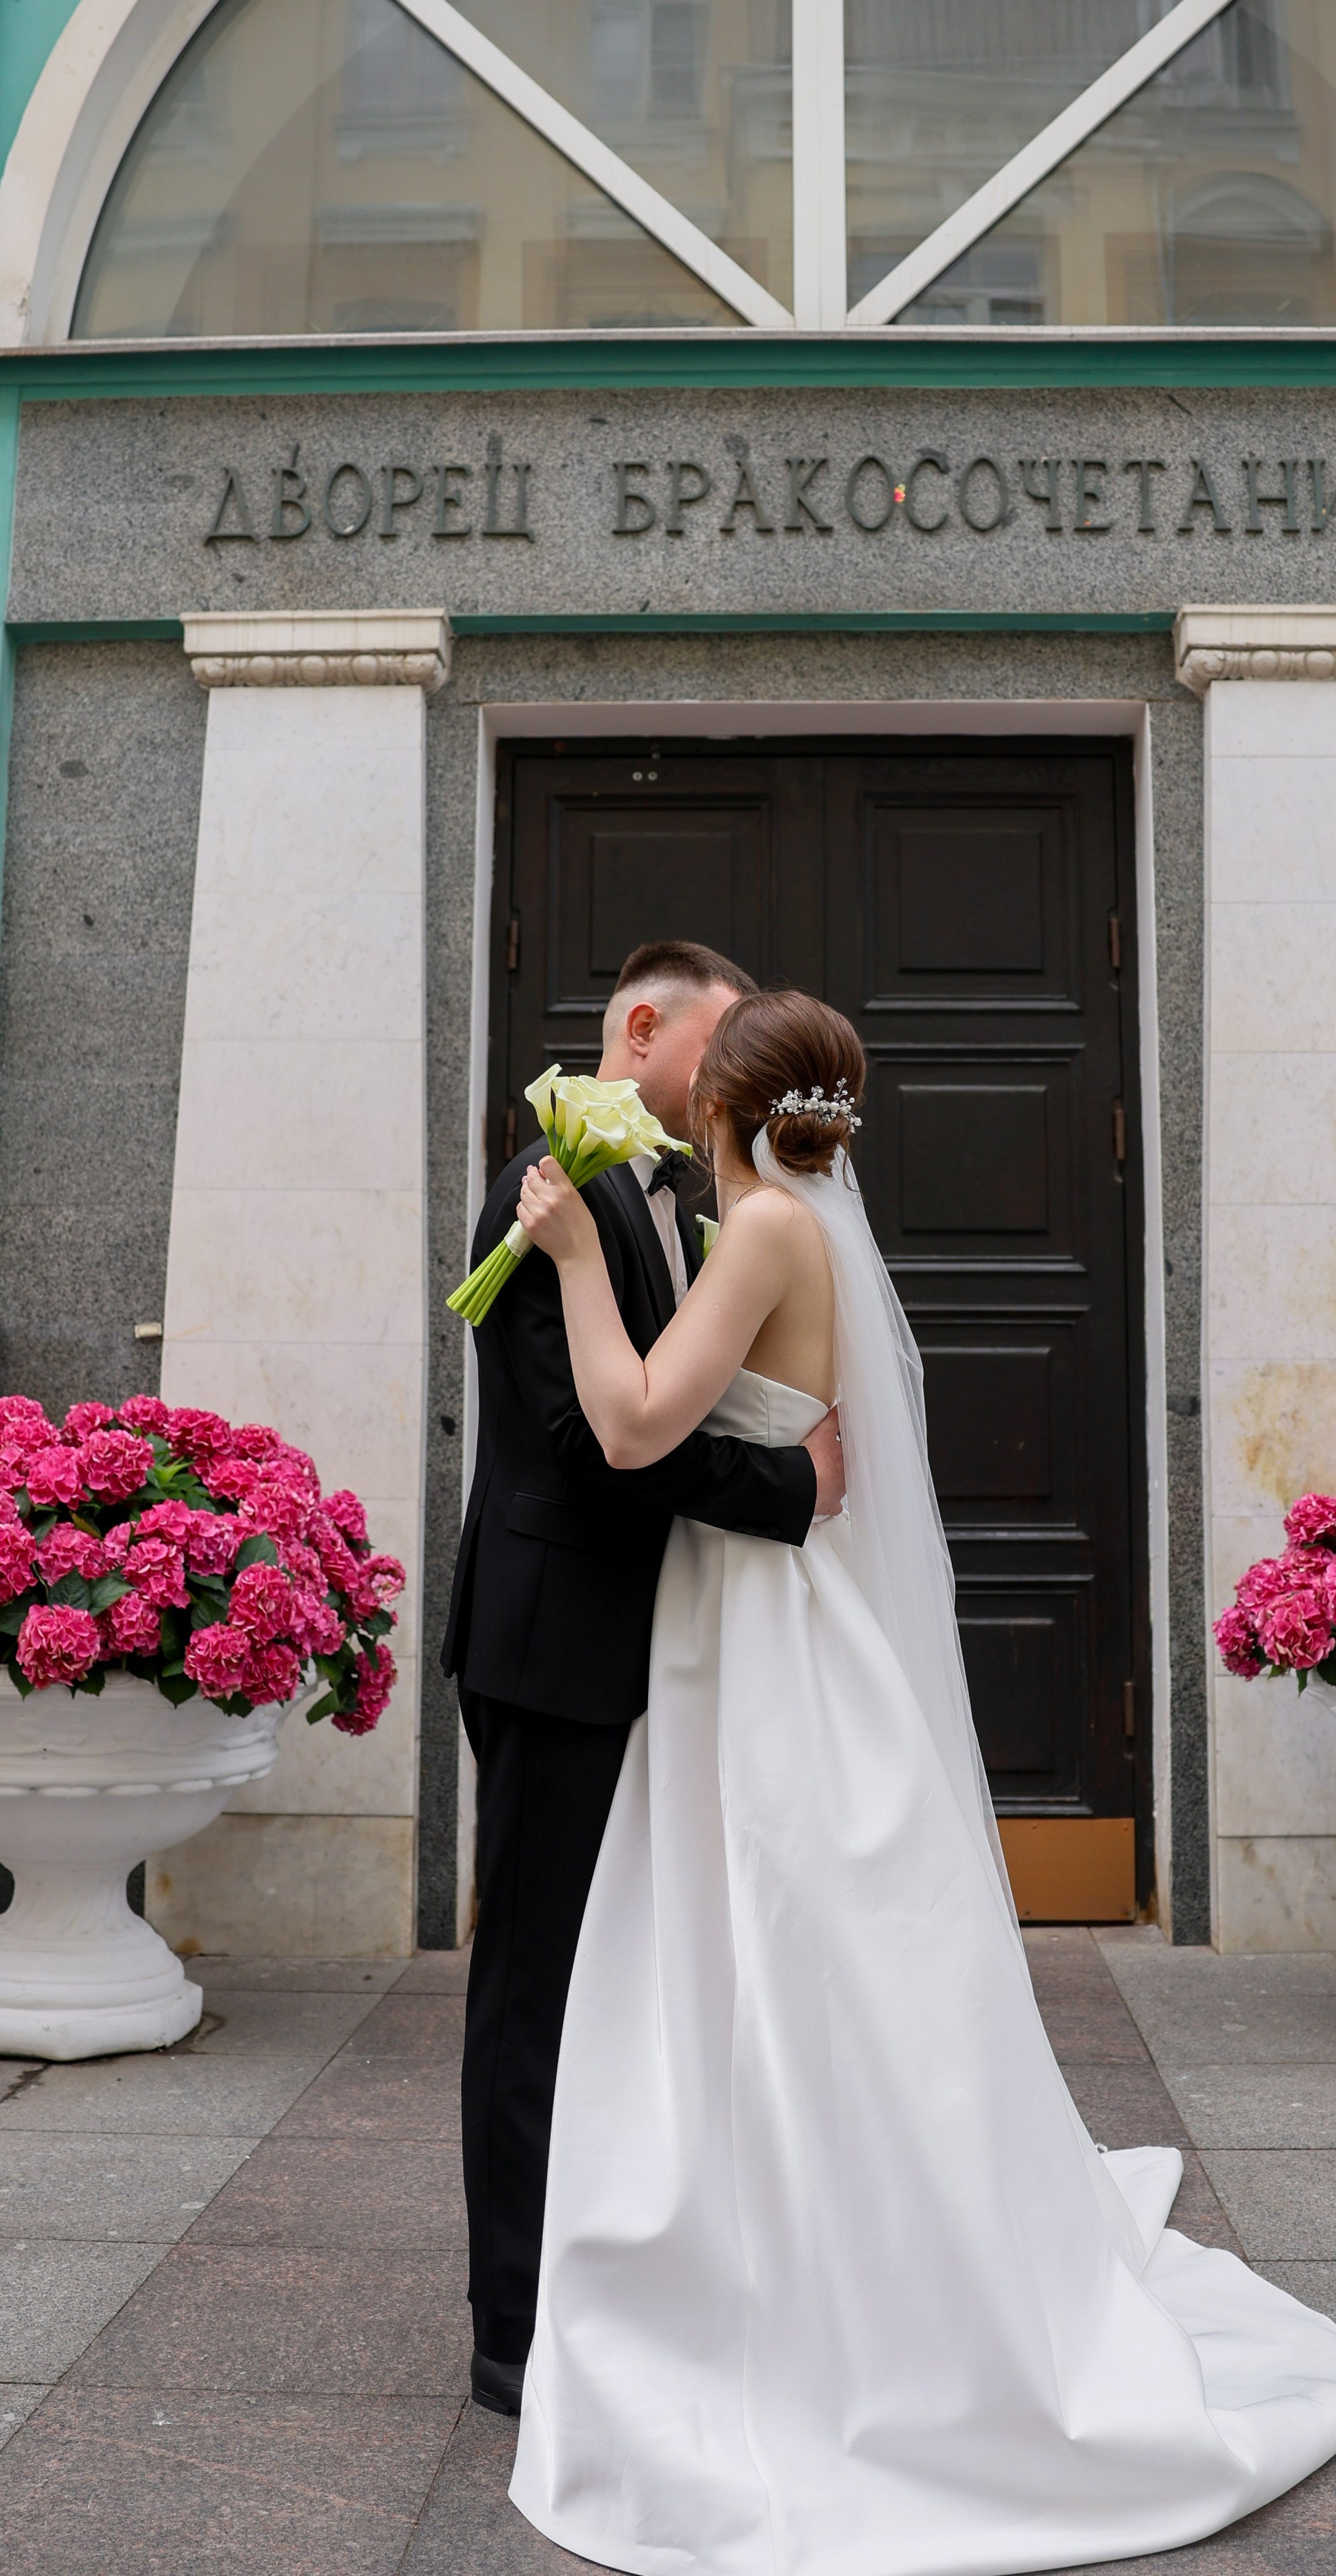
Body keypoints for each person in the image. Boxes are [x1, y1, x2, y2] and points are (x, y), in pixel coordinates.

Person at [504, 987, 1336, 2576]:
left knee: (772, 1945)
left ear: (723, 1107)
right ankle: (782, 2243)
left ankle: (812, 2282)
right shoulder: (792, 1226)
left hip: (761, 1635)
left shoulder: (762, 1230)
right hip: (747, 1611)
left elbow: (635, 1427)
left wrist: (573, 1258)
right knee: (779, 1952)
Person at [441, 942, 846, 2419]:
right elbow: (584, 1440)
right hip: (554, 1643)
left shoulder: (688, 1199)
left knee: (622, 1980)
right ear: (643, 1025)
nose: (728, 1072)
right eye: (717, 1039)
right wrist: (792, 1492)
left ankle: (618, 2271)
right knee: (533, 1985)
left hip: (651, 1646)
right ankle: (511, 2326)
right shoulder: (551, 1180)